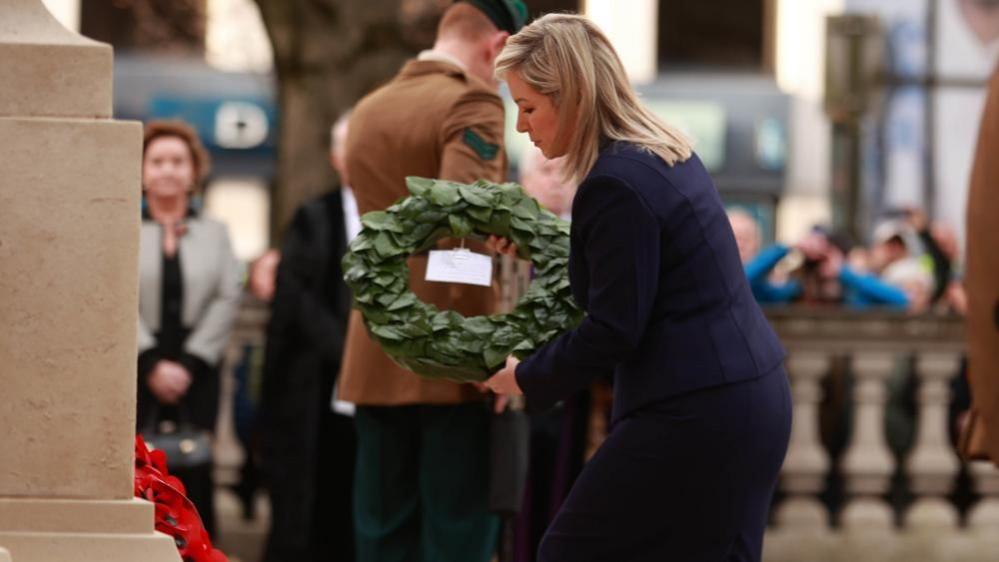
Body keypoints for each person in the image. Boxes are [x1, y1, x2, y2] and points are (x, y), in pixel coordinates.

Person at [483, 14, 791, 562]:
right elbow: (637, 264)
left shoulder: (613, 182)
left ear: (572, 95)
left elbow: (613, 328)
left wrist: (526, 376)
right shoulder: (655, 151)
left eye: (528, 107)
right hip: (743, 398)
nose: (523, 126)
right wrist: (540, 242)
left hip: (695, 412)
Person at [335, 2, 528, 561]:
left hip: (375, 347)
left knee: (381, 532)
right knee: (457, 534)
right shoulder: (473, 101)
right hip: (448, 359)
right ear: (497, 45)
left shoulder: (369, 107)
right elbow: (460, 233)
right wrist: (483, 351)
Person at [258, 111, 358, 562]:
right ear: (336, 158)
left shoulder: (406, 219)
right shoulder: (312, 217)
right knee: (307, 513)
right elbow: (294, 298)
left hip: (373, 401)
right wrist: (345, 350)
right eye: (349, 146)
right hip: (313, 392)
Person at [137, 120, 242, 537]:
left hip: (197, 372)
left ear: (193, 171)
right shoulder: (121, 227)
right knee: (135, 474)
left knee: (195, 477)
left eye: (178, 161)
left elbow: (228, 295)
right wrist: (149, 362)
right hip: (135, 371)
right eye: (157, 161)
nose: (167, 170)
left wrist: (190, 363)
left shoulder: (216, 232)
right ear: (142, 170)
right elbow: (111, 294)